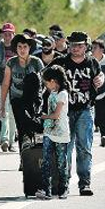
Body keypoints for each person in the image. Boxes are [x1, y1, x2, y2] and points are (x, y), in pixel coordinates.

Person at [49, 31, 104, 196]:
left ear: (86, 46)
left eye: (79, 45)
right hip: (63, 112)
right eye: (73, 45)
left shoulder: (92, 62)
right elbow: (45, 77)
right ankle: (63, 184)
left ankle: (84, 184)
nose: (76, 48)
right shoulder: (60, 62)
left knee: (84, 148)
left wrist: (100, 78)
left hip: (85, 110)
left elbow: (99, 74)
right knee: (64, 148)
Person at [0, 33, 45, 152]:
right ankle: (24, 158)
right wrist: (2, 105)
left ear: (29, 48)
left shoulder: (36, 62)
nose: (22, 50)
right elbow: (5, 84)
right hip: (17, 99)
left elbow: (45, 82)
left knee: (32, 127)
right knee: (21, 127)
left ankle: (34, 155)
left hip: (33, 100)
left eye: (25, 47)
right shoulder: (11, 62)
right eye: (19, 47)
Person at [36, 65, 71, 200]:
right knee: (46, 161)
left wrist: (44, 116)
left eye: (46, 82)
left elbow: (56, 114)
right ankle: (47, 189)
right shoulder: (51, 93)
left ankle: (64, 188)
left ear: (53, 81)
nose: (46, 85)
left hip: (61, 132)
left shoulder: (63, 94)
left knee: (61, 162)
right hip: (49, 131)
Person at [0, 23, 18, 152]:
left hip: (16, 84)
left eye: (10, 33)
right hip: (2, 83)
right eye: (5, 33)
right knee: (4, 111)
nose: (7, 36)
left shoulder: (18, 48)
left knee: (13, 113)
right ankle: (4, 139)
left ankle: (12, 141)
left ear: (13, 34)